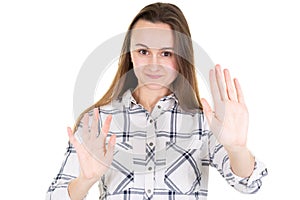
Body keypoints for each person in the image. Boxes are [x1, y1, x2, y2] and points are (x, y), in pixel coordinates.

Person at [46, 2, 267, 200]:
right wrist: (85, 180)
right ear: (130, 55)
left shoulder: (204, 122)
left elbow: (249, 184)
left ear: (181, 57)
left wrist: (237, 149)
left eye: (166, 54)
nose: (153, 65)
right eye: (143, 51)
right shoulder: (99, 120)